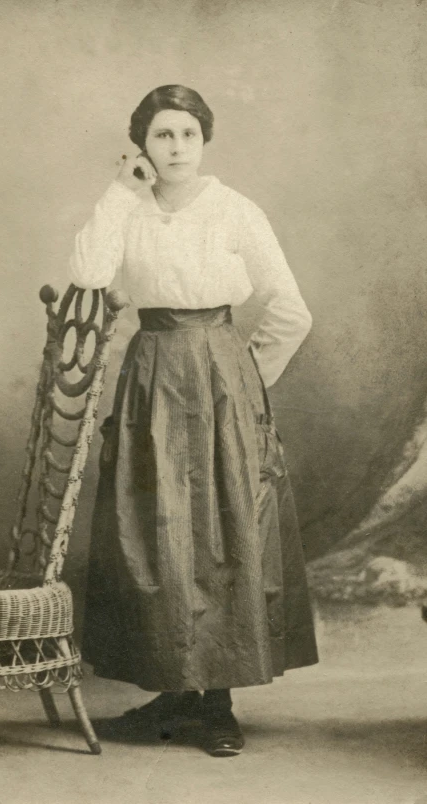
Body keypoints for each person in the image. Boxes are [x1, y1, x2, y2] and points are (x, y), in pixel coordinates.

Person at [69, 85, 318, 758]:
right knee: (154, 529)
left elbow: (292, 309)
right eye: (162, 136)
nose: (176, 148)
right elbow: (88, 272)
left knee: (218, 525)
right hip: (151, 375)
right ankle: (174, 692)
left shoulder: (233, 210)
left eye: (187, 135)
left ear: (203, 140)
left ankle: (217, 701)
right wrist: (120, 193)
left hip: (218, 380)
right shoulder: (131, 209)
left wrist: (242, 379)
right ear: (141, 147)